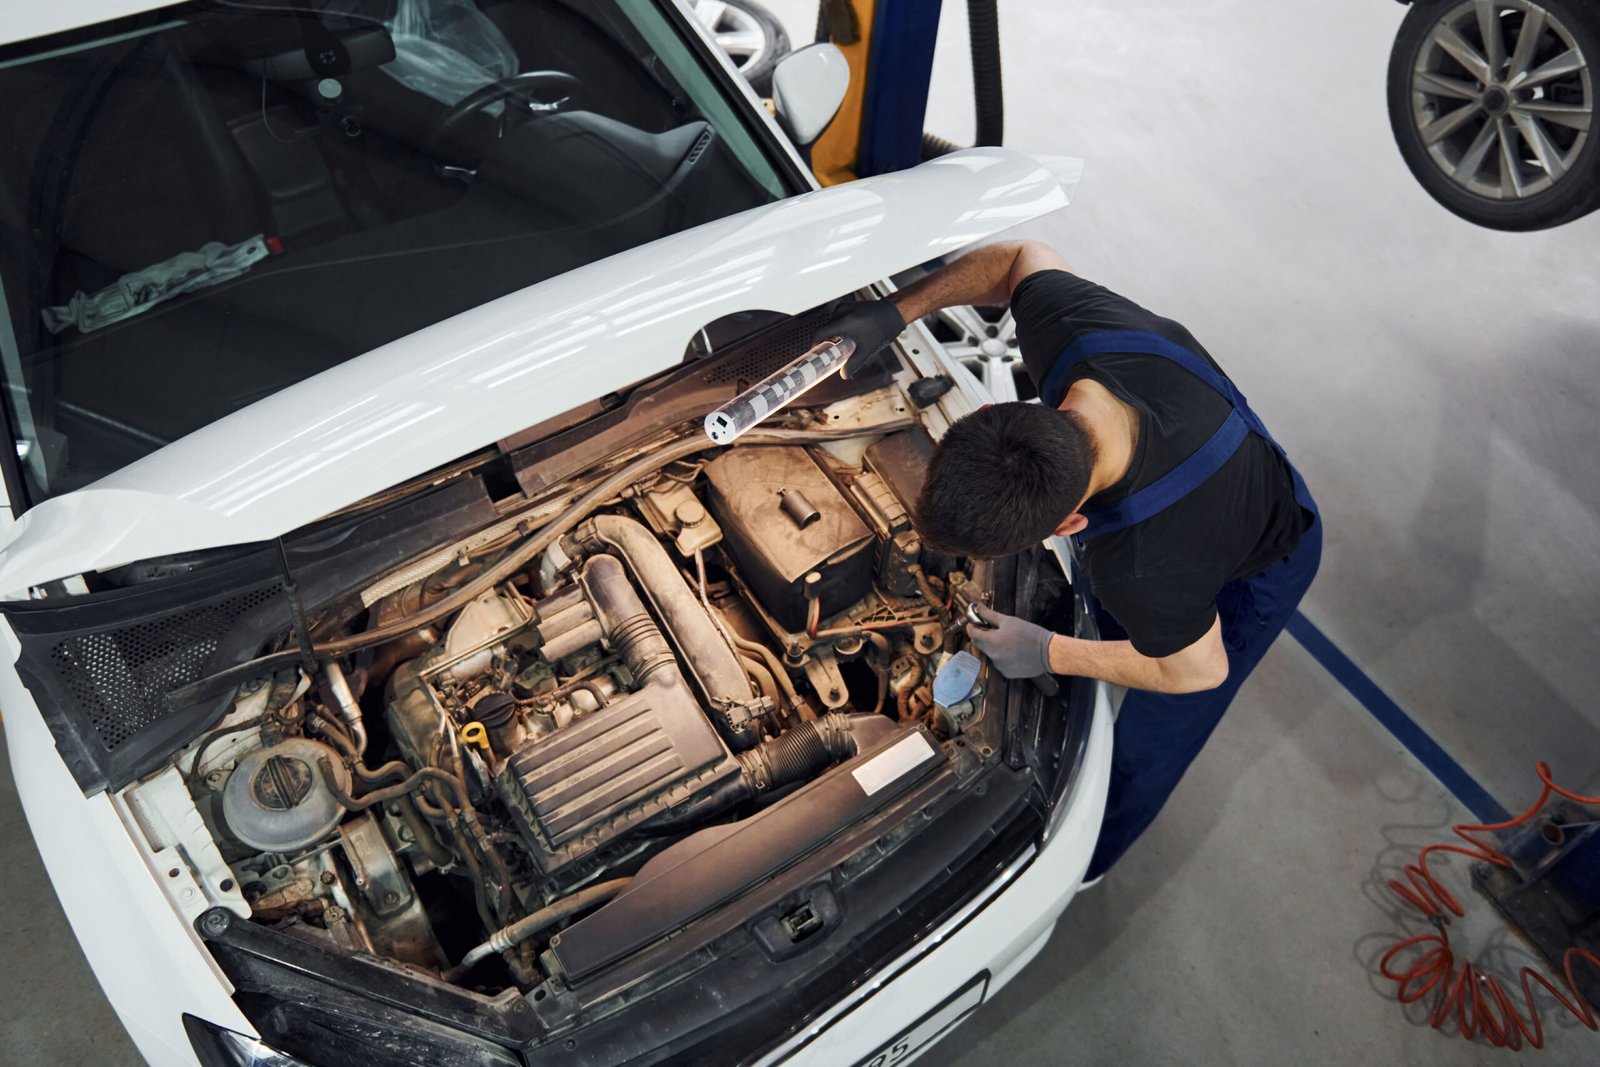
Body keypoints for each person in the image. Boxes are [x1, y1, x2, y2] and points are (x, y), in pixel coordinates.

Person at [813, 240, 1321, 882]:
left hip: (1260, 565)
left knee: (1147, 740)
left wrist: (1051, 651)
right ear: (998, 414)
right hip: (1220, 454)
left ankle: (1086, 861)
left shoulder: (1140, 562)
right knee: (1116, 634)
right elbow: (1020, 255)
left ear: (1071, 526)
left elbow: (1199, 668)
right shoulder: (1075, 329)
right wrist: (896, 312)